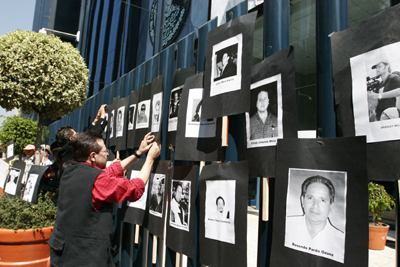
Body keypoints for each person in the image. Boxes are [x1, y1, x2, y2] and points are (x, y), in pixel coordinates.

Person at [48, 131, 160, 267]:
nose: (108, 153)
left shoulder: (72, 168)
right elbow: (134, 189)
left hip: (62, 253)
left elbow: (111, 171)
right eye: (105, 150)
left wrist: (138, 153)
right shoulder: (97, 179)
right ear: (93, 156)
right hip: (85, 258)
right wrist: (150, 159)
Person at [285, 175, 345, 263]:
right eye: (310, 198)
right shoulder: (287, 225)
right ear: (302, 201)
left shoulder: (340, 240)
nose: (315, 205)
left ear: (331, 206)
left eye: (323, 200)